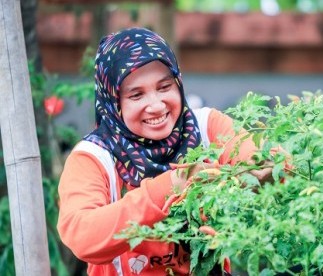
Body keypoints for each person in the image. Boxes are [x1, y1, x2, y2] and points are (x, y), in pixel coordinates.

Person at [57, 27, 273, 275]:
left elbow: (268, 161)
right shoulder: (95, 158)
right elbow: (81, 235)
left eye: (164, 87)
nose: (156, 106)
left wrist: (263, 170)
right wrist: (172, 185)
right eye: (137, 95)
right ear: (113, 103)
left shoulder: (207, 127)